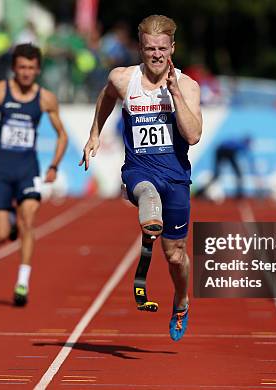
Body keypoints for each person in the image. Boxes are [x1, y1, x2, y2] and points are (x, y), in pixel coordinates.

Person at [80, 15, 202, 341]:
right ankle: (148, 206)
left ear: (172, 48)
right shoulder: (123, 79)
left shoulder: (188, 86)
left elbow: (193, 136)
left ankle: (182, 298)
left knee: (175, 255)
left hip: (175, 179)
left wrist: (174, 93)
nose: (157, 55)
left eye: (162, 48)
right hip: (139, 170)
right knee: (145, 192)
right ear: (140, 49)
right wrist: (94, 133)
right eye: (150, 49)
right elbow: (106, 96)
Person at [0, 43, 68, 306]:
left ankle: (22, 282)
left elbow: (62, 135)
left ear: (38, 70)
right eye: (22, 67)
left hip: (27, 169)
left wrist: (54, 166)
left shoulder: (46, 98)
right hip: (0, 170)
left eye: (31, 68)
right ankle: (9, 220)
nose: (26, 73)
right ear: (14, 68)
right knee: (0, 236)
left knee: (28, 221)